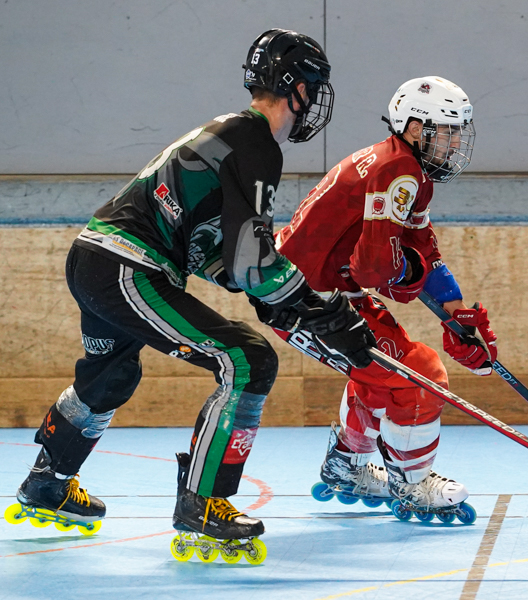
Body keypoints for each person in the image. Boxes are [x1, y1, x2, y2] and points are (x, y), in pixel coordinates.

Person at [7, 29, 375, 559]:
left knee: (112, 373)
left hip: (96, 258)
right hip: (129, 267)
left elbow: (219, 254)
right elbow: (253, 264)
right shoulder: (256, 145)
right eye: (312, 88)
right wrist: (319, 308)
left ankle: (48, 480)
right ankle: (205, 502)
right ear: (294, 87)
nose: (314, 102)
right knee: (248, 360)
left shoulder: (232, 133)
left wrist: (285, 300)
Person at [274, 76, 497, 521]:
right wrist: (405, 272)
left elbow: (423, 252)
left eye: (458, 132)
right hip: (307, 300)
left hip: (321, 293)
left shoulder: (405, 169)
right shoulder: (398, 171)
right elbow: (374, 268)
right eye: (447, 131)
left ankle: (346, 464)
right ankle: (411, 482)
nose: (455, 143)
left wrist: (458, 317)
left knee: (380, 372)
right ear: (415, 128)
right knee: (420, 373)